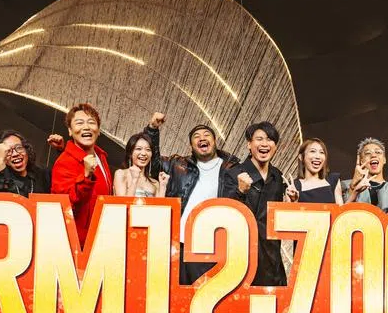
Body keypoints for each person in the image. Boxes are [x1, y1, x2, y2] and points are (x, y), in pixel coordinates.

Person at [143, 112, 241, 284]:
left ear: (215, 141)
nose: (202, 138)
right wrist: (152, 129)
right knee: (173, 293)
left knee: (202, 294)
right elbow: (152, 164)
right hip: (177, 243)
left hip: (210, 245)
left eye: (207, 135)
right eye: (196, 136)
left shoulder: (231, 168)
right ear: (191, 145)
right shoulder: (178, 164)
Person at [232, 121, 293, 286]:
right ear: (249, 144)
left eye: (270, 139)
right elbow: (225, 214)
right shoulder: (233, 173)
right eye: (259, 139)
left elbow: (279, 219)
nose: (265, 144)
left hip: (272, 256)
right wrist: (240, 192)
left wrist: (291, 204)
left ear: (275, 146)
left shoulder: (277, 176)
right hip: (242, 255)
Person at [50, 103, 113, 244]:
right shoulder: (63, 162)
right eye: (79, 123)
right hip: (78, 242)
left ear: (98, 130)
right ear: (70, 131)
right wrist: (86, 177)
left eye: (91, 122)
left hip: (101, 237)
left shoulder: (101, 157)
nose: (86, 127)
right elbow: (66, 206)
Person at [341, 137, 388, 211]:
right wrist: (353, 188)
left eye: (378, 152)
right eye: (368, 153)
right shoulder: (345, 185)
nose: (373, 155)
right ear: (361, 161)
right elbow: (342, 215)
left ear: (384, 159)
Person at [0, 129, 52, 196]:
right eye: (8, 151)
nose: (15, 154)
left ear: (26, 150)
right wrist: (0, 162)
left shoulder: (44, 175)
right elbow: (0, 198)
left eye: (19, 147)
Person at [113, 132, 169, 197]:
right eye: (138, 149)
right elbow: (122, 202)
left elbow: (160, 204)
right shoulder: (121, 174)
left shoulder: (155, 183)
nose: (144, 153)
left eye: (148, 150)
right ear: (130, 153)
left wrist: (163, 186)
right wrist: (134, 180)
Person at [293, 138, 343, 204]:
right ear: (301, 157)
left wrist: (354, 193)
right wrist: (293, 201)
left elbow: (341, 209)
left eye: (322, 152)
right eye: (313, 151)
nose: (318, 156)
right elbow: (289, 209)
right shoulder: (294, 186)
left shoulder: (333, 180)